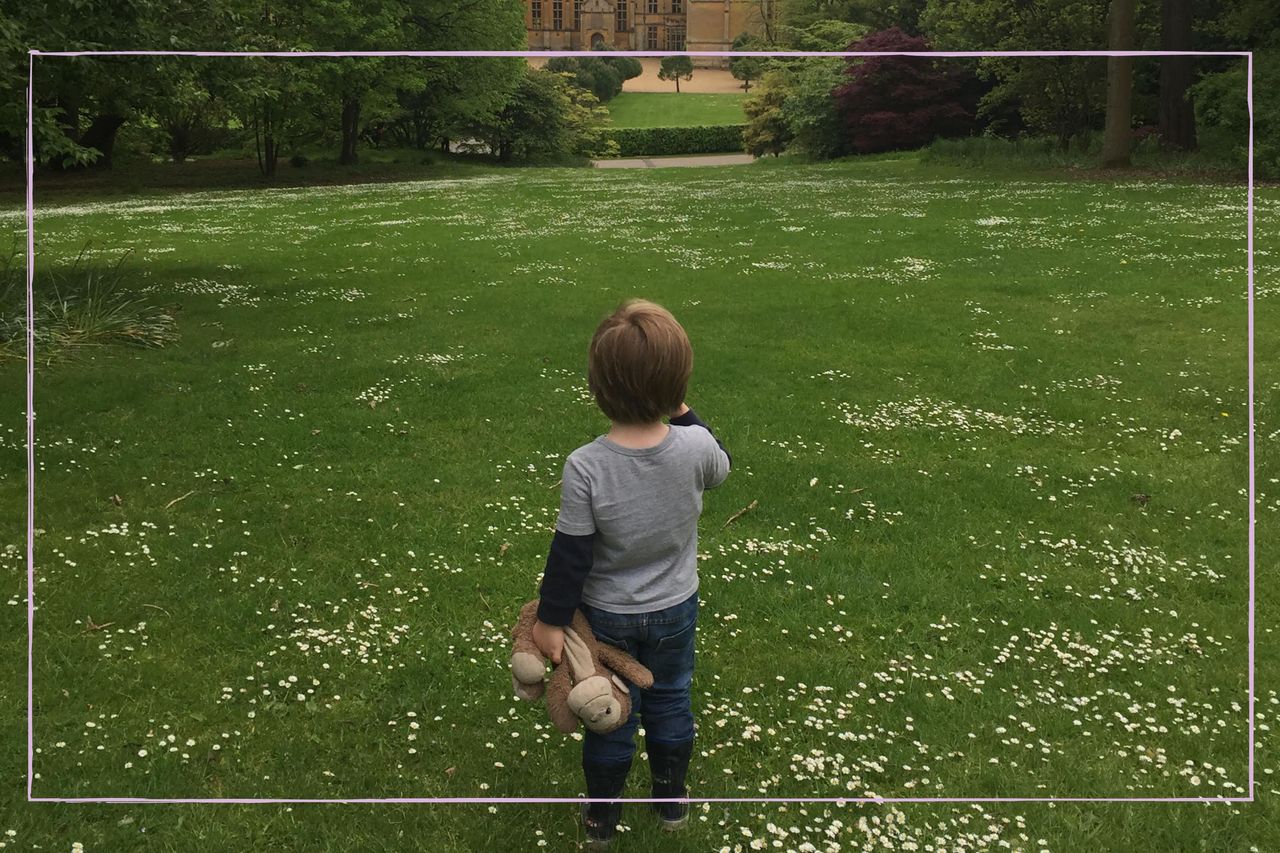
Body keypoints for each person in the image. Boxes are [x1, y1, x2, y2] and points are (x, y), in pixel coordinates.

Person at [531, 299, 731, 847]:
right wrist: (684, 413)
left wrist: (550, 621)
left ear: (598, 387)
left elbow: (571, 553)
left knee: (609, 710)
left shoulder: (587, 464)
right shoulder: (696, 446)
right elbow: (722, 466)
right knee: (670, 700)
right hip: (675, 609)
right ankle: (671, 802)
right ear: (678, 383)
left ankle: (602, 819)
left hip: (609, 616)